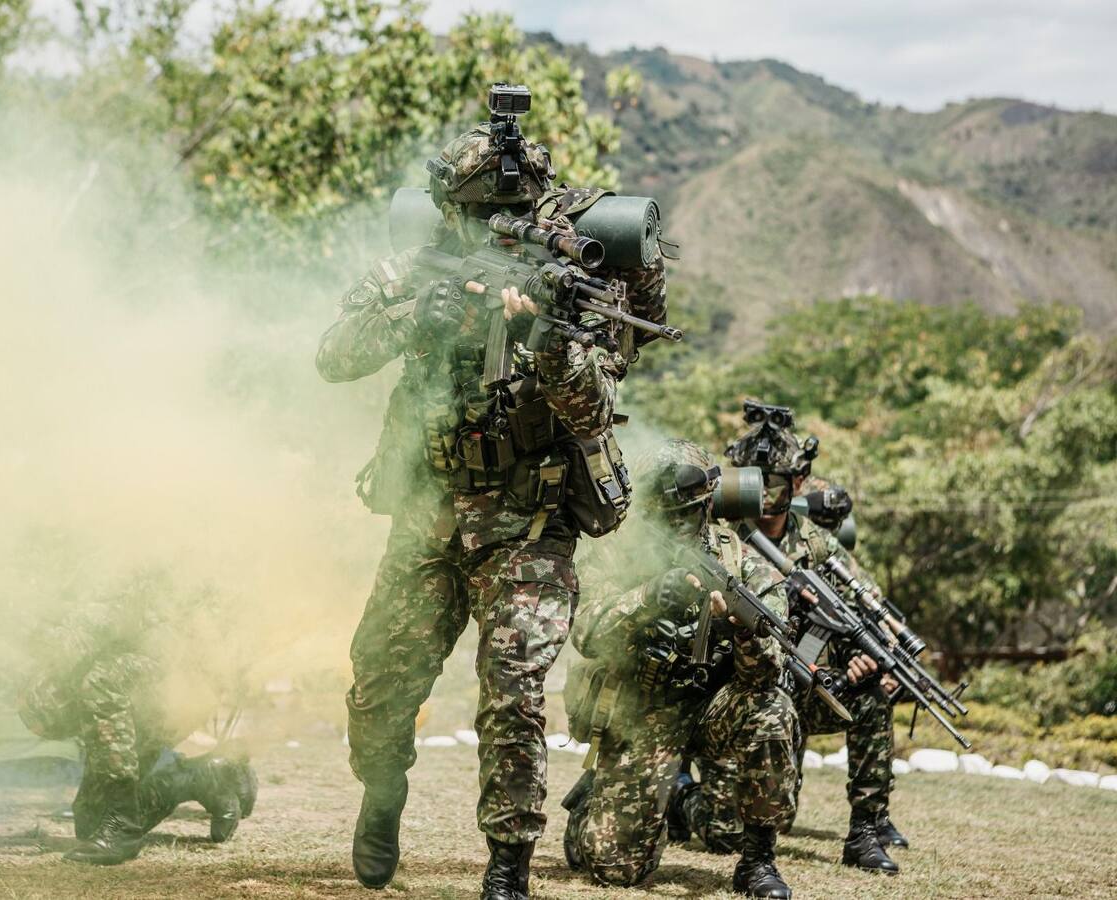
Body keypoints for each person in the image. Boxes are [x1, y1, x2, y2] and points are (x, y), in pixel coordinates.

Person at [315, 85, 669, 897]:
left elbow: (595, 405)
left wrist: (546, 339)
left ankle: (507, 864)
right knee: (378, 682)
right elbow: (333, 354)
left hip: (530, 521)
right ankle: (383, 792)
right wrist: (420, 315)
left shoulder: (576, 285)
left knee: (512, 695)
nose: (493, 233)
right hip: (428, 514)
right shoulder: (415, 268)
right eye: (475, 220)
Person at [561, 439, 797, 898]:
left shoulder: (740, 562)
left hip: (712, 709)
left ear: (706, 506)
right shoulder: (617, 552)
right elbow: (586, 632)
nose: (674, 526)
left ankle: (758, 862)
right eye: (662, 515)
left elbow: (769, 670)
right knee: (613, 868)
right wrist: (649, 597)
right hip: (643, 715)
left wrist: (744, 634)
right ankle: (597, 795)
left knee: (773, 709)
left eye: (684, 514)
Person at [697, 400, 905, 874]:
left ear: (799, 482)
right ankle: (680, 793)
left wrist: (864, 658)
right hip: (732, 691)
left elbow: (861, 605)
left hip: (800, 680)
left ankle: (866, 832)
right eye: (753, 474)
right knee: (722, 833)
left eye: (775, 477)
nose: (763, 487)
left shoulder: (817, 544)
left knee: (870, 694)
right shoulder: (719, 534)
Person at [17, 581, 257, 866]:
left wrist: (121, 815)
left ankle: (124, 824)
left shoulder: (124, 582)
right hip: (150, 694)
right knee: (90, 823)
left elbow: (97, 632)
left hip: (180, 687)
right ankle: (200, 778)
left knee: (99, 680)